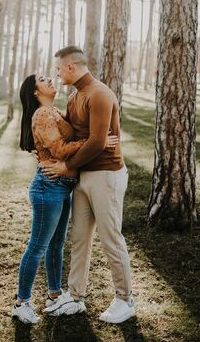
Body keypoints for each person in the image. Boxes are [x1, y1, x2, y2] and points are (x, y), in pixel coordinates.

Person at [11, 73, 118, 324]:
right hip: (48, 187)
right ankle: (21, 302)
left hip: (62, 186)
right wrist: (96, 143)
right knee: (38, 246)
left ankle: (54, 295)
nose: (50, 79)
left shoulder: (52, 111)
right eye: (43, 79)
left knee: (56, 245)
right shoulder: (43, 114)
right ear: (35, 92)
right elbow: (59, 150)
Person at [41, 45, 135, 324]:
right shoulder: (74, 97)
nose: (57, 75)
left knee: (111, 238)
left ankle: (125, 299)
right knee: (80, 239)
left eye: (59, 69)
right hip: (82, 178)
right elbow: (71, 135)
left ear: (71, 67)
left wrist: (67, 166)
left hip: (106, 175)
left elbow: (97, 142)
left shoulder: (100, 94)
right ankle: (75, 296)